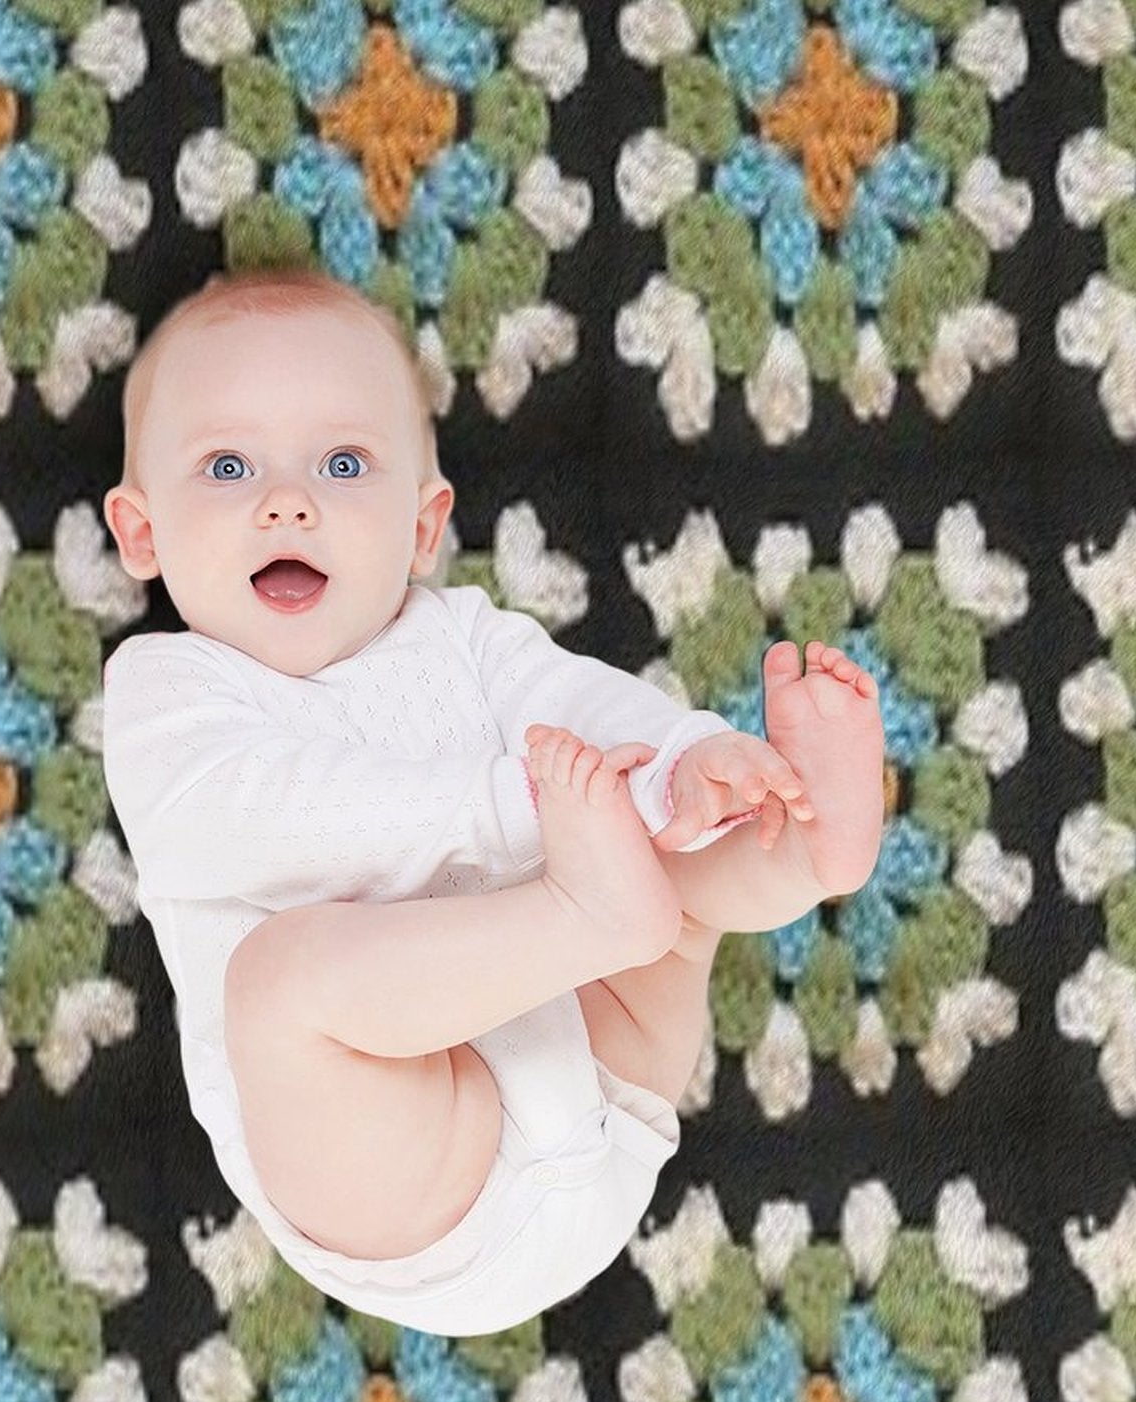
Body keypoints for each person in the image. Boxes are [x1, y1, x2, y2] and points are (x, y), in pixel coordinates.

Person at [100, 266, 886, 1335]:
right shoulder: (169, 693)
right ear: (141, 535)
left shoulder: (462, 637)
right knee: (278, 984)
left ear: (422, 528)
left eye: (342, 462)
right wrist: (519, 809)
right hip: (417, 1182)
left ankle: (797, 847)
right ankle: (594, 910)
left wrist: (680, 763)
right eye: (227, 465)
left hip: (607, 1079)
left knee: (671, 864)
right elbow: (264, 820)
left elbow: (578, 707)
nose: (288, 501)